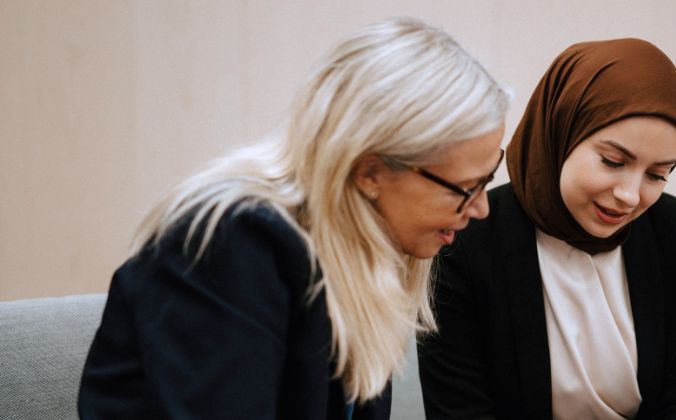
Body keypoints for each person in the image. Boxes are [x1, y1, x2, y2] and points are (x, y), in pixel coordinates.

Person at [78, 17, 509, 419]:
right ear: (371, 171)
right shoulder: (230, 245)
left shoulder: (365, 255)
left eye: (487, 180)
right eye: (466, 187)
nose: (481, 208)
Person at [418, 38, 676, 419]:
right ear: (560, 132)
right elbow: (459, 412)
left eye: (657, 174)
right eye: (613, 161)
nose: (630, 196)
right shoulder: (465, 238)